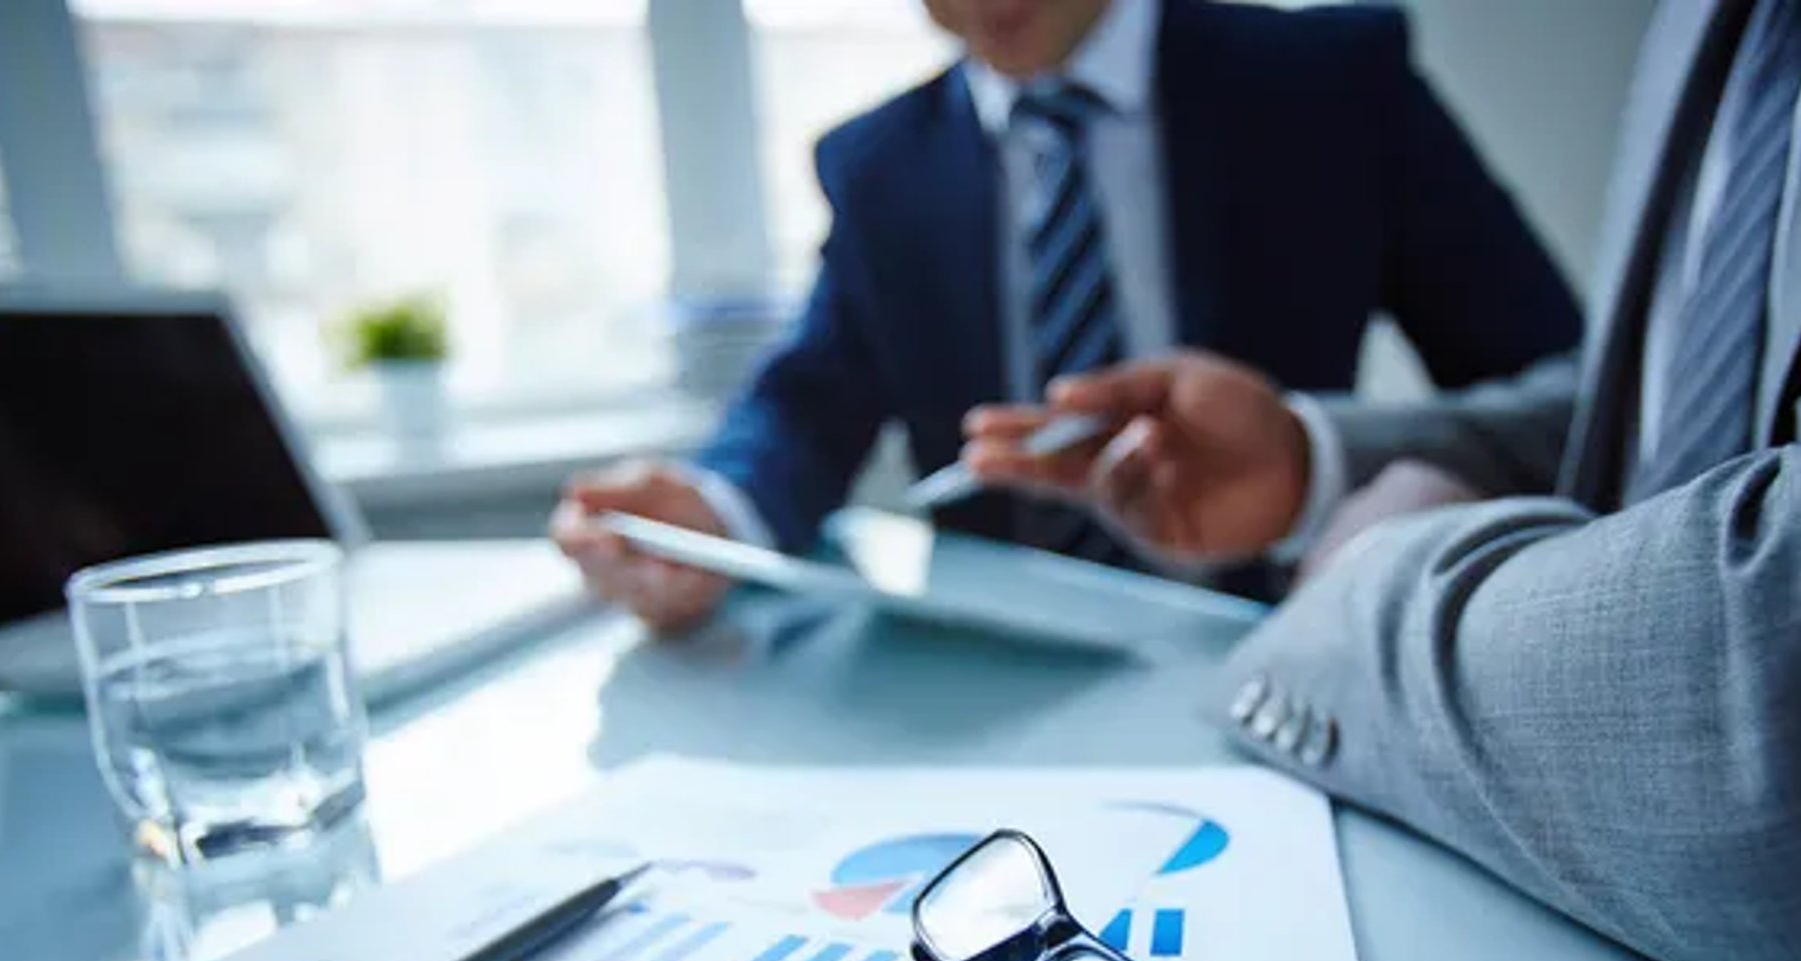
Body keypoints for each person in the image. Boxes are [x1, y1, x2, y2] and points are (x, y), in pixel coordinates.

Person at [966, 0, 1801, 961]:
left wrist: (1354, 573)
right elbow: (1645, 409)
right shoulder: (1707, 25)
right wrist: (1314, 465)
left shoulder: (1327, 64)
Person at [552, 0, 1582, 632]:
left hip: (1289, 639)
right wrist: (711, 507)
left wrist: (1327, 473)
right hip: (1002, 683)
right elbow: (807, 401)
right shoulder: (879, 167)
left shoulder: (1330, 84)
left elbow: (1568, 392)